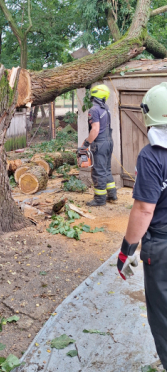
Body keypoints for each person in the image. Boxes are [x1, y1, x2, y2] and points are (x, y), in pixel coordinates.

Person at [117, 82, 167, 371]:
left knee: (163, 314)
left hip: (161, 246)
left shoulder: (152, 156)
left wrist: (127, 251)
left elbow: (144, 208)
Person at [80, 83, 117, 207]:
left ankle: (99, 199)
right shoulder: (106, 108)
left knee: (99, 172)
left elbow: (95, 129)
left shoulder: (94, 110)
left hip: (100, 143)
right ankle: (112, 194)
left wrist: (86, 143)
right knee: (107, 169)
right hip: (109, 142)